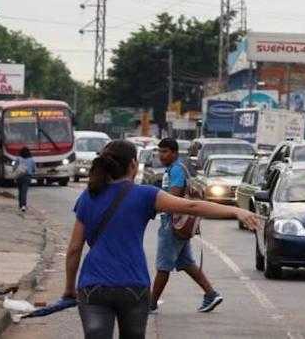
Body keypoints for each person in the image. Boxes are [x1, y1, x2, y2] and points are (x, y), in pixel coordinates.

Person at [63, 140, 260, 339]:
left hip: (93, 286)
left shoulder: (89, 196)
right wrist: (235, 210)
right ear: (133, 164)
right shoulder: (145, 195)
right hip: (133, 285)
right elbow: (192, 207)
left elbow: (74, 249)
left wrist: (69, 288)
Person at [150, 138, 221, 314]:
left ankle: (150, 304)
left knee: (163, 266)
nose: (161, 155)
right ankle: (211, 294)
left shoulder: (176, 170)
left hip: (173, 223)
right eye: (160, 151)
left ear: (174, 153)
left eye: (165, 151)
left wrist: (154, 206)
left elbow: (173, 198)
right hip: (178, 223)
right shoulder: (173, 169)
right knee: (187, 263)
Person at [15, 147, 36, 212]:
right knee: (24, 191)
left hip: (19, 176)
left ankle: (20, 205)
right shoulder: (31, 160)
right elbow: (34, 169)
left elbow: (14, 167)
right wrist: (32, 173)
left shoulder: (18, 159)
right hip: (27, 177)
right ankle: (23, 206)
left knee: (20, 191)